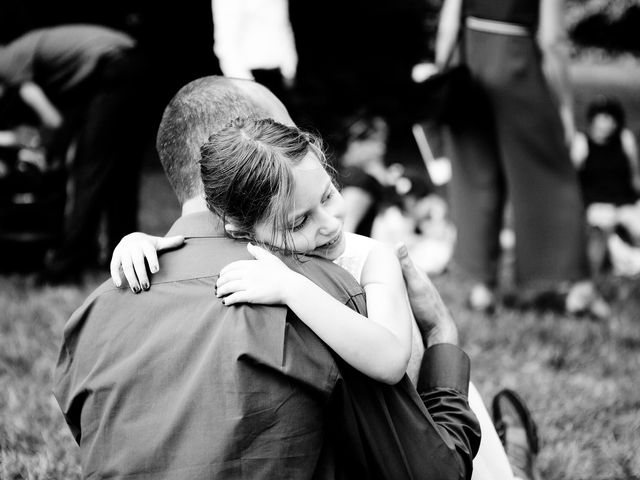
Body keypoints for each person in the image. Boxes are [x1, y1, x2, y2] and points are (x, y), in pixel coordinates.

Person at [54, 76, 482, 479]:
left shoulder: (99, 308)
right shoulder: (325, 290)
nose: (330, 224)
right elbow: (433, 470)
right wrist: (442, 336)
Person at [426, 0, 609, 317]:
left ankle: (482, 286)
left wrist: (442, 78)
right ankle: (577, 285)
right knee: (551, 174)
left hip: (469, 65)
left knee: (476, 175)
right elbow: (552, 40)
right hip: (517, 65)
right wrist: (565, 107)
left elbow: (448, 24)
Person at [0, 24, 149, 280]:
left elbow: (52, 118)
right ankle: (123, 257)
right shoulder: (32, 57)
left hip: (114, 68)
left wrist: (34, 144)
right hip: (134, 64)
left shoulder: (7, 60)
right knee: (119, 172)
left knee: (89, 171)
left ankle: (65, 267)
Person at [571, 95, 640, 276]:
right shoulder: (582, 144)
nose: (605, 124)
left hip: (626, 202)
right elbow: (572, 180)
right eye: (601, 118)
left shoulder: (625, 140)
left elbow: (634, 175)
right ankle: (620, 262)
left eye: (609, 119)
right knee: (604, 228)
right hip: (597, 204)